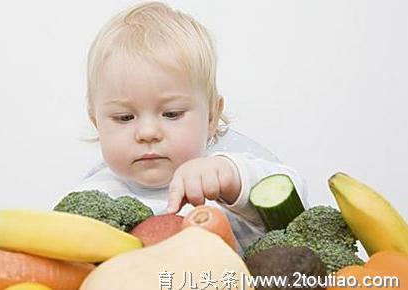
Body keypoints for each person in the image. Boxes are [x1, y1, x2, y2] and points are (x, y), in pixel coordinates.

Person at [72, 1, 308, 253]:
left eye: (171, 114)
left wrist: (233, 180)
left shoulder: (222, 179)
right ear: (97, 124)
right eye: (124, 118)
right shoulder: (92, 198)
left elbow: (299, 206)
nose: (148, 133)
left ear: (211, 118)